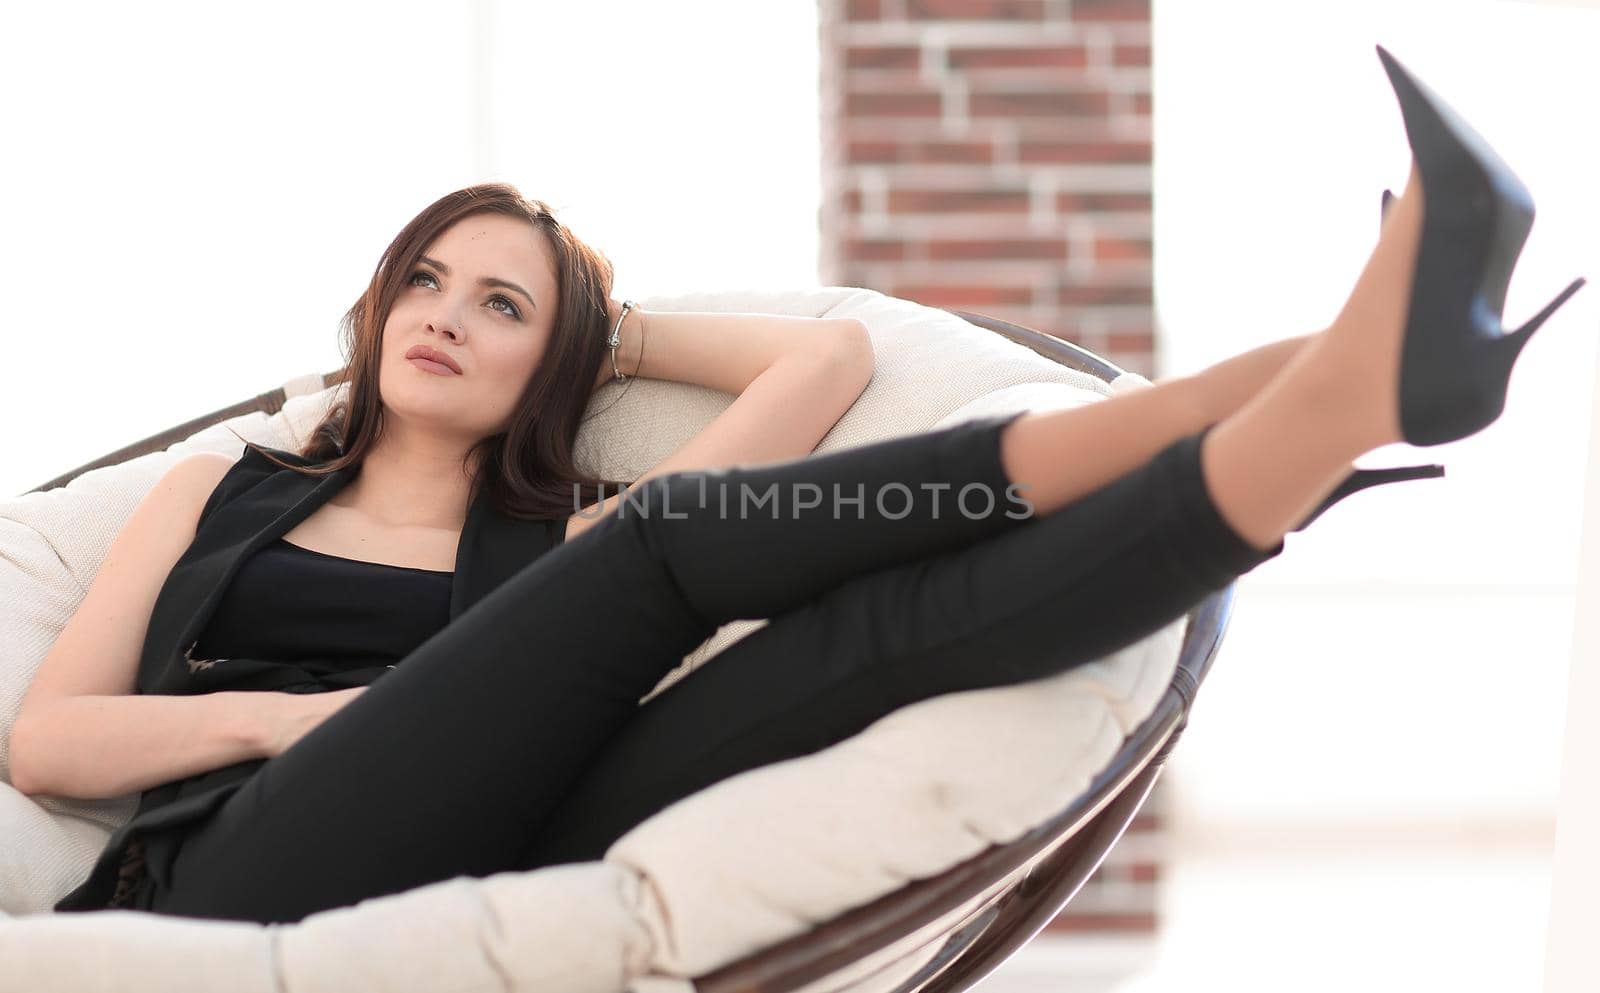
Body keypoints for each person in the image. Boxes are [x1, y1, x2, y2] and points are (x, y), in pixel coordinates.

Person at [12, 45, 1585, 926]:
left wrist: (601, 324)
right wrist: (294, 720)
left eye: (503, 305)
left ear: (551, 365)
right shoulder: (231, 490)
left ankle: (1325, 406)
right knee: (672, 548)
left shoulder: (549, 539)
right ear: (374, 310)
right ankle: (1329, 363)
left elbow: (816, 373)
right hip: (243, 866)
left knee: (862, 641)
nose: (448, 313)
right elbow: (46, 738)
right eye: (425, 279)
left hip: (521, 825)